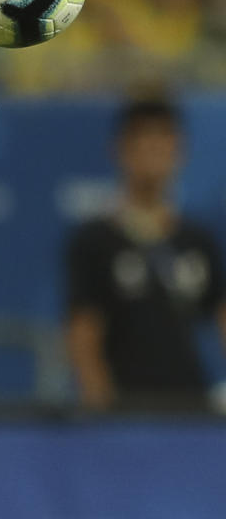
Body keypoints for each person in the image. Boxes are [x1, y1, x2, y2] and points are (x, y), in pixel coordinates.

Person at [65, 94, 226, 409]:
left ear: (180, 150)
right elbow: (84, 337)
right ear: (121, 149)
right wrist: (102, 412)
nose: (155, 150)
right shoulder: (96, 241)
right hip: (128, 413)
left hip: (192, 413)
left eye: (164, 138)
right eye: (144, 138)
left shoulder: (197, 241)